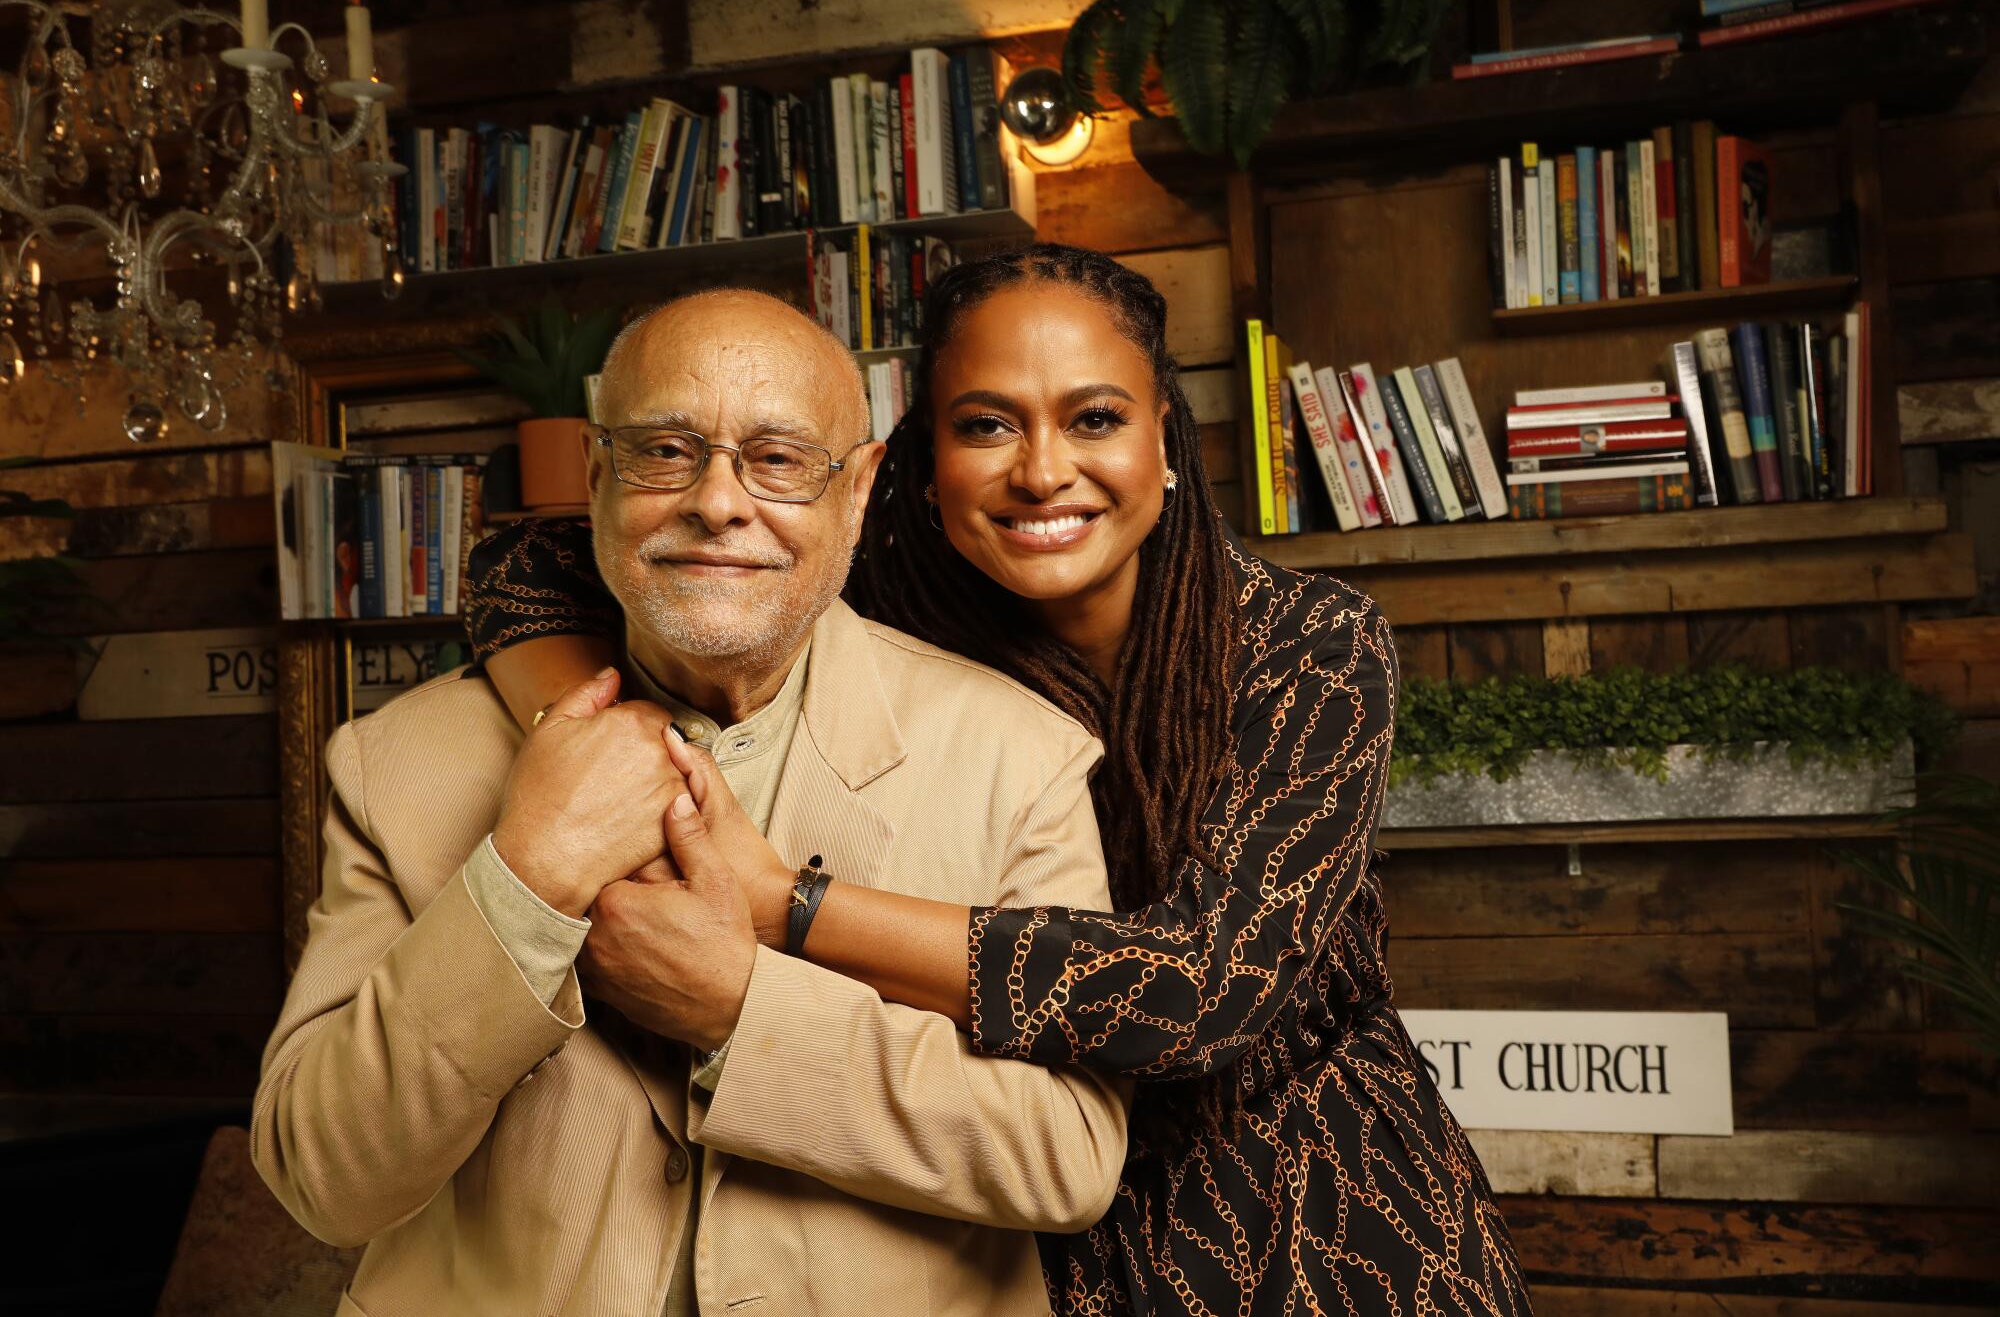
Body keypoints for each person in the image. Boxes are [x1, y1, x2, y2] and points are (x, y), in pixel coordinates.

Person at [468, 244, 1533, 1315]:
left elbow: (1198, 991)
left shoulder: (1309, 644)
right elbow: (523, 569)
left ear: (1164, 435)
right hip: (1031, 1204)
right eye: (985, 424)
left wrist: (780, 903)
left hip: (1318, 1205)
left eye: (1094, 418)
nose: (1040, 470)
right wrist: (619, 764)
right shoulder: (882, 618)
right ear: (920, 462)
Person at [251, 289, 1130, 1317]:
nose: (718, 501)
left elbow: (1067, 1155)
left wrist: (741, 1013)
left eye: (780, 457)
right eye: (666, 450)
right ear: (593, 477)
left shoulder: (1019, 755)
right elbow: (323, 1178)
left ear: (856, 493)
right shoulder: (394, 763)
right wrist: (521, 883)